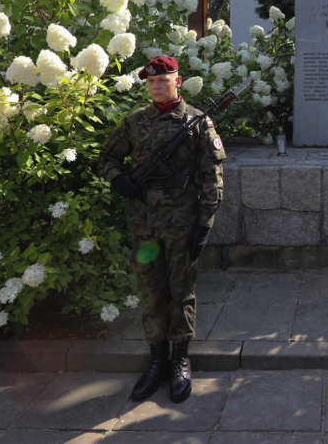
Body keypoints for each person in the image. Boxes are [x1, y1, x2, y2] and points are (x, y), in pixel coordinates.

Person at [97, 55, 225, 403]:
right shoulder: (135, 120)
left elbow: (211, 179)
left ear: (177, 82)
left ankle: (180, 360)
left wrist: (205, 223)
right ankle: (157, 362)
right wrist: (119, 179)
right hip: (144, 226)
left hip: (182, 226)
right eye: (151, 82)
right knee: (152, 294)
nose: (156, 86)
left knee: (180, 292)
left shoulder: (198, 123)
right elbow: (106, 157)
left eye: (163, 80)